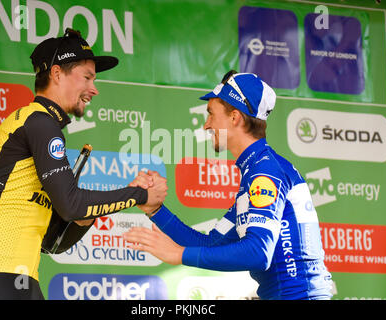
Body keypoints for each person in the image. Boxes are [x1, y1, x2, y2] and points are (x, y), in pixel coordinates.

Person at [0, 28, 167, 300]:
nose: (94, 89)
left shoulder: (39, 124)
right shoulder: (39, 122)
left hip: (14, 276)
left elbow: (53, 243)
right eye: (87, 77)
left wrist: (85, 216)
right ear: (56, 74)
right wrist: (141, 195)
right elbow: (72, 204)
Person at [124, 70, 333, 300]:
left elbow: (259, 252)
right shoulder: (255, 171)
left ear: (235, 117)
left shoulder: (265, 171)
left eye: (211, 114)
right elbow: (211, 243)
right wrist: (155, 210)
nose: (206, 125)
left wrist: (179, 254)